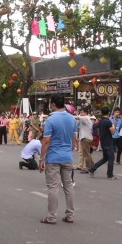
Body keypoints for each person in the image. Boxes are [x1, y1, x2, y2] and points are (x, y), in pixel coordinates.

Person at [39, 95, 76, 224]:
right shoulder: (72, 119)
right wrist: (68, 151)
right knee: (68, 186)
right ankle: (70, 215)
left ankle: (51, 216)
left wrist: (41, 159)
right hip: (67, 157)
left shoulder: (50, 120)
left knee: (53, 187)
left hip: (53, 157)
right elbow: (74, 140)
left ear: (53, 104)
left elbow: (46, 141)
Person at [88, 107, 116, 179]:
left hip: (103, 141)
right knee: (111, 159)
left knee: (105, 158)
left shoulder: (100, 121)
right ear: (108, 113)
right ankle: (110, 174)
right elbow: (112, 132)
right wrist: (113, 126)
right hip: (108, 142)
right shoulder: (108, 121)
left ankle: (92, 168)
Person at [76, 108, 94, 172]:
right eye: (80, 112)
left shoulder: (86, 117)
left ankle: (88, 168)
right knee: (87, 153)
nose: (80, 114)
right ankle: (92, 166)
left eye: (82, 112)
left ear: (86, 113)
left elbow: (76, 117)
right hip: (86, 138)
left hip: (85, 138)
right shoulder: (85, 118)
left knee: (86, 154)